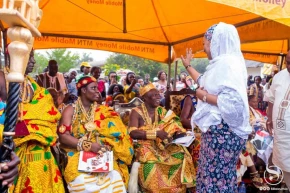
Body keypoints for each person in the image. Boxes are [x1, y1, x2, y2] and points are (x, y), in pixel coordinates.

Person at [181, 22, 251, 192]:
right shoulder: (222, 65)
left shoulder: (228, 65)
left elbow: (233, 103)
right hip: (218, 134)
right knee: (215, 179)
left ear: (215, 42)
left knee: (217, 182)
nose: (204, 49)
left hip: (223, 136)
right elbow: (204, 81)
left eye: (205, 44)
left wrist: (201, 95)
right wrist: (188, 66)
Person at [58, 76, 133, 192]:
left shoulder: (104, 111)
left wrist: (107, 144)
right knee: (81, 180)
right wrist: (89, 146)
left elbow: (117, 135)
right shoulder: (70, 110)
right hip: (77, 153)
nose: (98, 91)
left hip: (102, 154)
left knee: (115, 177)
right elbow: (63, 137)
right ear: (83, 90)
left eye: (97, 88)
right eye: (93, 88)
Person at [10, 50, 65, 192]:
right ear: (14, 55)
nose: (33, 61)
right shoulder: (4, 79)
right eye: (30, 57)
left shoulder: (33, 85)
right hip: (11, 143)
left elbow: (48, 111)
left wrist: (29, 121)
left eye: (33, 57)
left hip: (39, 143)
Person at [128, 83, 195, 193]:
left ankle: (176, 189)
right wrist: (155, 134)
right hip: (145, 146)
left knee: (181, 154)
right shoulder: (136, 112)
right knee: (151, 164)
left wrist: (178, 133)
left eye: (158, 94)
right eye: (154, 95)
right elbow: (133, 132)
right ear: (144, 98)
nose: (158, 97)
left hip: (162, 146)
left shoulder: (162, 111)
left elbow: (174, 124)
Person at [265, 50, 290, 188]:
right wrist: (269, 118)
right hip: (283, 138)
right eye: (288, 62)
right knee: (286, 170)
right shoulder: (279, 77)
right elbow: (271, 98)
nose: (289, 66)